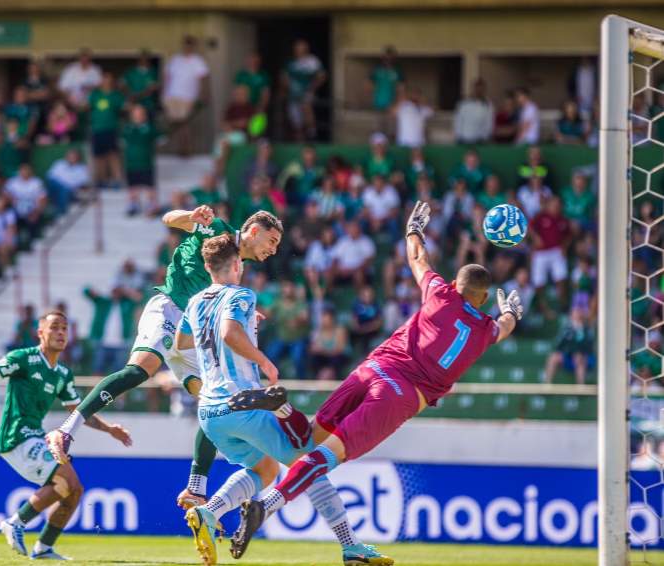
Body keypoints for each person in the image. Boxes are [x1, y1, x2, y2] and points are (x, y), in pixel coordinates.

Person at [229, 201, 523, 556]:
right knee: (326, 456)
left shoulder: (440, 294)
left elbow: (417, 257)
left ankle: (281, 408)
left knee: (307, 441)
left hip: (372, 368)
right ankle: (267, 505)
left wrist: (413, 228)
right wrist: (509, 312)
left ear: (455, 285)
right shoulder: (484, 331)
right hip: (399, 394)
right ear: (484, 298)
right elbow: (504, 327)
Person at [45, 208, 284, 510]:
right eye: (272, 241)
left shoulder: (237, 265)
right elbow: (169, 220)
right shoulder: (218, 229)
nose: (273, 250)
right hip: (169, 310)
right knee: (141, 369)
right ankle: (66, 430)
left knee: (214, 403)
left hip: (191, 331)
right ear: (254, 231)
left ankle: (196, 489)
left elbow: (216, 299)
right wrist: (190, 214)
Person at [177, 234, 393, 566]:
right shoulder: (242, 293)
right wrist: (262, 360)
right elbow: (230, 333)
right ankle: (351, 546)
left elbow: (182, 341)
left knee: (263, 468)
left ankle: (209, 512)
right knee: (309, 466)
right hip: (243, 404)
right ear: (237, 265)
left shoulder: (194, 302)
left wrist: (239, 330)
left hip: (209, 412)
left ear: (207, 267)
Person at [0, 310, 132, 560]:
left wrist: (109, 429)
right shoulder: (23, 359)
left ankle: (43, 547)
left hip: (37, 436)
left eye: (65, 328)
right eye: (54, 327)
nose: (61, 333)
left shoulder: (63, 374)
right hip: (16, 437)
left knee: (73, 491)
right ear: (40, 332)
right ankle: (15, 522)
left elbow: (78, 412)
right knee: (68, 480)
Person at [162, 36, 210, 156]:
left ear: (193, 46)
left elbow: (203, 79)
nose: (187, 47)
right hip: (172, 95)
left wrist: (204, 94)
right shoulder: (175, 59)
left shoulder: (197, 61)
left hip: (188, 96)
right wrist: (164, 93)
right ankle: (176, 148)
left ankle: (187, 149)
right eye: (186, 44)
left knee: (185, 122)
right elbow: (167, 77)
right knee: (173, 122)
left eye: (190, 44)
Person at [283, 39, 326, 141]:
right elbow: (284, 77)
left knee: (306, 106)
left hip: (307, 92)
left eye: (302, 48)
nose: (299, 50)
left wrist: (312, 88)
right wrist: (286, 87)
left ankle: (312, 135)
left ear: (306, 49)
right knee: (296, 122)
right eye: (297, 48)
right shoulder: (291, 62)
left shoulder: (313, 61)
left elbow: (322, 76)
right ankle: (299, 141)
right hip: (293, 95)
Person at [88, 71, 125, 188]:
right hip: (97, 129)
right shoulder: (95, 94)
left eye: (109, 79)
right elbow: (87, 106)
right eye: (104, 79)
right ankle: (101, 180)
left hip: (111, 128)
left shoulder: (116, 95)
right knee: (98, 156)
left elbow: (125, 107)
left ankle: (117, 180)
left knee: (113, 155)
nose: (107, 82)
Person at [454, 78, 493, 144]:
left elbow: (489, 123)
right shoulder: (463, 103)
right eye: (476, 88)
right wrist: (458, 136)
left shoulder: (488, 105)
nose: (478, 91)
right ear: (473, 89)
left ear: (484, 90)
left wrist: (486, 137)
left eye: (481, 89)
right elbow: (458, 121)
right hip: (463, 139)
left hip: (480, 140)